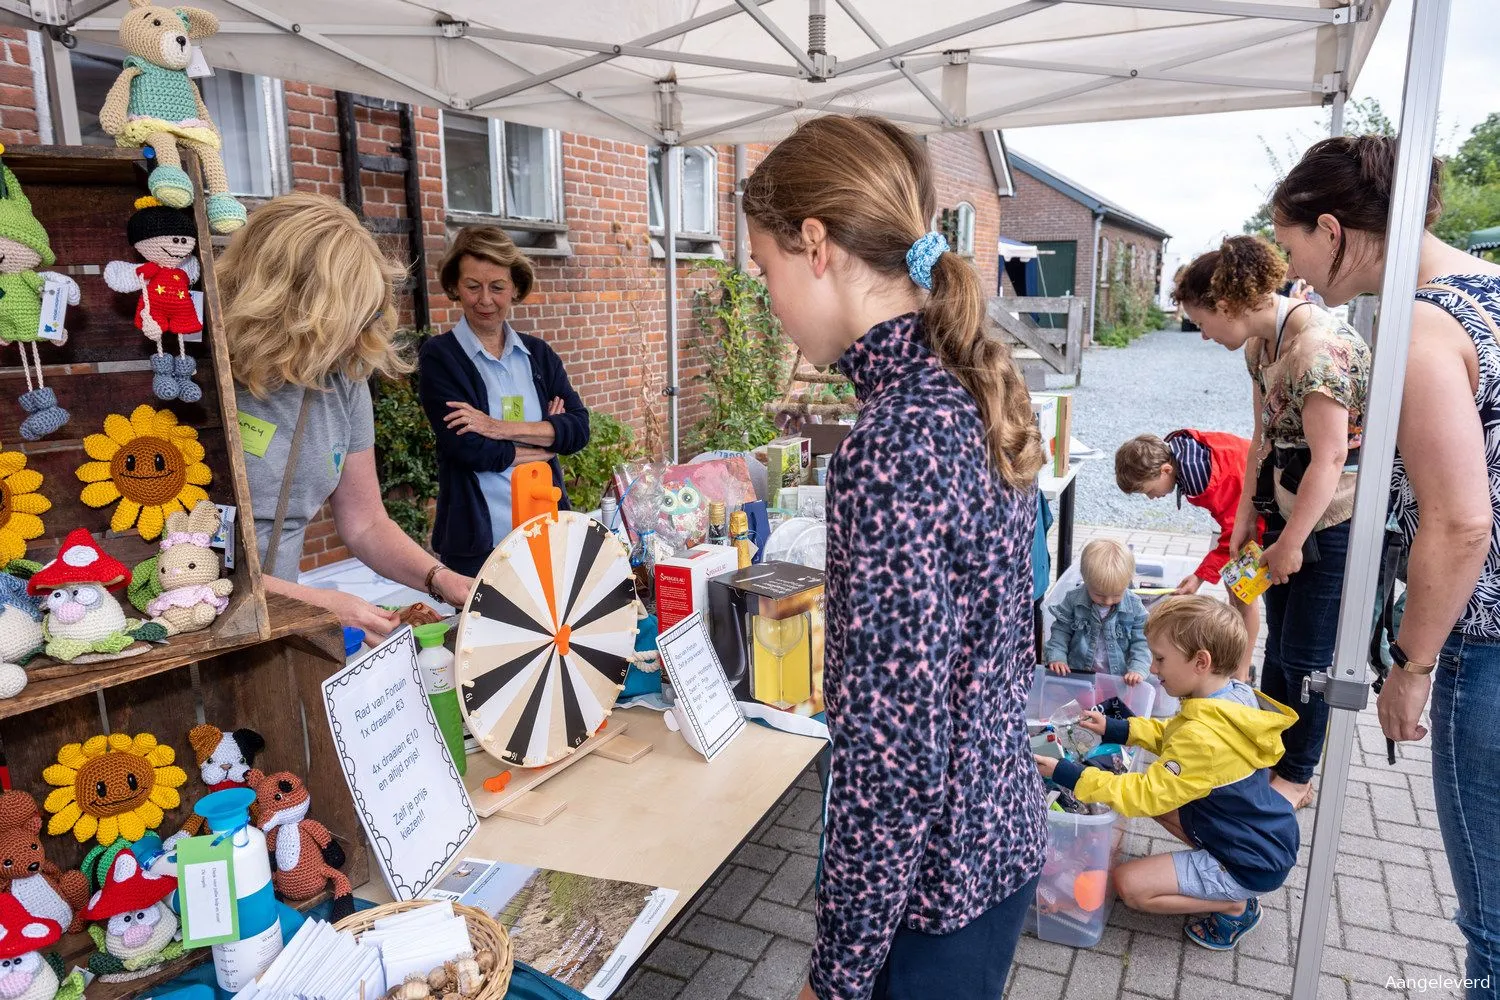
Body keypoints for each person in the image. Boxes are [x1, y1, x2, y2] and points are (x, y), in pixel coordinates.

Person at [743, 115, 1047, 1000]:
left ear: (815, 245)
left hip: (932, 893)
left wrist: (834, 977)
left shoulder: (894, 441)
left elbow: (892, 761)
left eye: (763, 269)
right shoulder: (962, 386)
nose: (766, 296)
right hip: (993, 838)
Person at [1273, 134, 1500, 996]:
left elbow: (1462, 520)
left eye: (1292, 245)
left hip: (1484, 637)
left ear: (1331, 229)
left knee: (1492, 931)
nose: (1294, 269)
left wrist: (1411, 664)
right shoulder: (1487, 294)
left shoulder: (1420, 324)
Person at [218, 192, 473, 639]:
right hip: (190, 629)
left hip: (274, 629)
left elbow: (366, 521)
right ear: (288, 305)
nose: (357, 335)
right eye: (346, 318)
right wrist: (321, 606)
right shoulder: (197, 376)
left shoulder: (342, 376)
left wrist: (440, 579)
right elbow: (181, 559)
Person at [1173, 235, 1370, 810]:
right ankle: (1270, 750)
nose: (1204, 334)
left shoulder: (1319, 350)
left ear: (1230, 303)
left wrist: (1292, 543)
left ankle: (1299, 773)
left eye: (1203, 321)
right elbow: (1261, 439)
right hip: (1284, 516)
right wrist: (1245, 523)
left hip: (1330, 525)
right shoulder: (1261, 347)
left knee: (1306, 658)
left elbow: (1331, 458)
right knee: (1279, 647)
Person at [1035, 596, 1298, 952]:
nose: (1154, 670)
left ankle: (1236, 905)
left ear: (1200, 662)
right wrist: (1117, 729)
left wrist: (1071, 775)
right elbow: (1173, 737)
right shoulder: (1228, 698)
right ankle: (1222, 881)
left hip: (1249, 862)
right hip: (1259, 835)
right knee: (1160, 802)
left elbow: (1144, 794)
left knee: (1129, 885)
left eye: (1160, 659)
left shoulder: (1204, 736)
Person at [418, 227, 591, 577]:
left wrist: (496, 428)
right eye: (472, 286)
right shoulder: (441, 357)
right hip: (479, 548)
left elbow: (578, 429)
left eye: (497, 287)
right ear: (455, 286)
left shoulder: (538, 355)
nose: (485, 299)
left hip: (546, 531)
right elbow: (467, 449)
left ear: (514, 288)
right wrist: (546, 439)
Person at [1116, 431, 1261, 681]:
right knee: (1233, 585)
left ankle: (1241, 675)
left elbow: (1236, 533)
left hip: (1260, 515)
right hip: (1248, 503)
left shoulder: (1207, 478)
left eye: (1148, 490)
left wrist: (1199, 577)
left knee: (1242, 591)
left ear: (1164, 470)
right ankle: (1235, 659)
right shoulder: (1186, 456)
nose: (1152, 497)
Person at [1043, 538, 1150, 684]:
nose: (1107, 601)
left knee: (1117, 707)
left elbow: (1142, 642)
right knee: (1081, 707)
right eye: (1099, 595)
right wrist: (1057, 657)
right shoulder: (1074, 600)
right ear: (1085, 580)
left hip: (1120, 679)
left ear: (1128, 582)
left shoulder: (1134, 606)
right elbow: (1060, 632)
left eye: (1117, 595)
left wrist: (1137, 669)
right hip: (1080, 675)